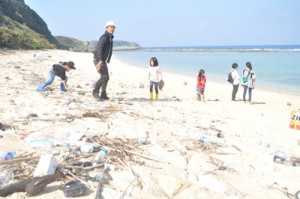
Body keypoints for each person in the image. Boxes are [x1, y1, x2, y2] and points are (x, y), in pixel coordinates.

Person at [92, 21, 115, 100]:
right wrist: (100, 60)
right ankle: (95, 91)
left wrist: (106, 60)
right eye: (110, 27)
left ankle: (103, 94)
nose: (112, 29)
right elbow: (99, 48)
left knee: (106, 77)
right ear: (106, 28)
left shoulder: (109, 37)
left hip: (102, 60)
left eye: (113, 27)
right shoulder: (104, 37)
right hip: (98, 59)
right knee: (105, 76)